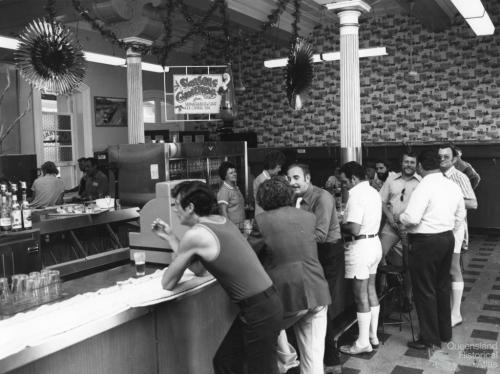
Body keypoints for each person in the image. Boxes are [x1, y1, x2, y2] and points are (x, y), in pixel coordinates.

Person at [152, 181, 283, 374]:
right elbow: (200, 269)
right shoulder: (221, 221)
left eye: (176, 205)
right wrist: (171, 237)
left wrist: (176, 244)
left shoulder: (196, 234)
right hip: (265, 303)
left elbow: (168, 282)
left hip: (258, 309)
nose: (174, 210)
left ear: (190, 207)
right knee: (225, 362)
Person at [251, 177, 331, 374]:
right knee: (313, 358)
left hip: (287, 295)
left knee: (262, 336)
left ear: (263, 199)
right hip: (317, 290)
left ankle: (286, 360)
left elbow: (249, 255)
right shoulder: (308, 217)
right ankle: (288, 358)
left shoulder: (261, 221)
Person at [397, 150, 466, 350]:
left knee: (424, 289)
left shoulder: (424, 186)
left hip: (426, 242)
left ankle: (429, 338)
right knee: (442, 286)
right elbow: (460, 214)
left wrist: (401, 217)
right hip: (447, 238)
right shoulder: (451, 185)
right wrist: (447, 228)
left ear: (420, 166)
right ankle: (444, 332)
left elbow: (412, 218)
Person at [286, 163, 343, 370]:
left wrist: (288, 239)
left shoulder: (323, 197)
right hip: (308, 253)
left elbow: (320, 234)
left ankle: (331, 359)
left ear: (307, 178)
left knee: (321, 305)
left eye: (296, 178)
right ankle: (308, 359)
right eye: (289, 178)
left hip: (327, 252)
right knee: (307, 305)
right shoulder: (294, 198)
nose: (292, 183)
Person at [338, 161, 382, 355]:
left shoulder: (356, 195)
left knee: (360, 296)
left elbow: (354, 228)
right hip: (374, 244)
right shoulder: (373, 191)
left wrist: (339, 224)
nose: (343, 185)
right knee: (371, 290)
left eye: (345, 181)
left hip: (361, 247)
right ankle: (373, 336)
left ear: (353, 179)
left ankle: (363, 342)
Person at [438, 144, 478, 327]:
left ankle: (456, 314)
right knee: (441, 270)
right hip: (438, 227)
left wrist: (450, 199)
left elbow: (473, 203)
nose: (442, 159)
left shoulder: (459, 177)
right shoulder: (436, 177)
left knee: (453, 269)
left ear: (454, 159)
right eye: (439, 156)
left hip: (455, 228)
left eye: (446, 156)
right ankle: (445, 310)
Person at [378, 151, 421, 309]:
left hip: (410, 229)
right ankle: (383, 287)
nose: (409, 165)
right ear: (401, 163)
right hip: (391, 226)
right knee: (378, 254)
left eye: (412, 162)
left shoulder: (420, 182)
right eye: (406, 162)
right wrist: (389, 217)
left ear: (416, 165)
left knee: (408, 263)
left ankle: (408, 297)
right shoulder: (391, 179)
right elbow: (382, 201)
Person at [253, 150, 286, 216]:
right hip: (263, 215)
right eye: (278, 167)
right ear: (272, 165)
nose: (280, 170)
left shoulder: (268, 178)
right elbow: (271, 201)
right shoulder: (262, 180)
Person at [217, 161, 246, 230]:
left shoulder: (235, 188)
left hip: (241, 226)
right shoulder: (224, 191)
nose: (234, 174)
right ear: (225, 176)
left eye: (235, 172)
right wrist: (230, 229)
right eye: (231, 173)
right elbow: (223, 213)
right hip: (233, 228)